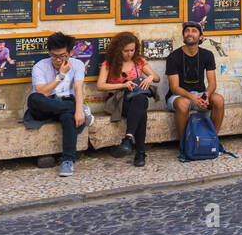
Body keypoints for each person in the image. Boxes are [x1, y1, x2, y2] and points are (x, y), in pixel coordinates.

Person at [24, 31, 91, 177]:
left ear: (70, 52)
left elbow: (78, 87)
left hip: (65, 101)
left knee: (68, 115)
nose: (58, 60)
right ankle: (73, 109)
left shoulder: (78, 64)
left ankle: (68, 161)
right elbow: (43, 93)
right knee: (33, 99)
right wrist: (60, 74)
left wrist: (78, 110)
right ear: (49, 53)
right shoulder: (40, 66)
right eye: (54, 56)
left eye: (63, 56)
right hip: (47, 104)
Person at [96, 32, 158, 167]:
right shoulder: (109, 64)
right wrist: (123, 85)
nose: (129, 53)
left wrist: (150, 77)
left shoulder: (139, 61)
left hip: (135, 99)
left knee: (141, 101)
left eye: (132, 50)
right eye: (126, 51)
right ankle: (140, 152)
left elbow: (157, 77)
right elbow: (100, 85)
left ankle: (128, 139)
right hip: (118, 101)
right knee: (141, 109)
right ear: (118, 49)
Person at [166, 22, 224, 141]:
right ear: (183, 35)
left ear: (201, 37)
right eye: (187, 31)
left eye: (194, 31)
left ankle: (212, 139)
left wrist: (206, 95)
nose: (190, 33)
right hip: (177, 97)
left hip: (199, 95)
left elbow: (212, 83)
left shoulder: (207, 55)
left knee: (218, 100)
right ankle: (185, 144)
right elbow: (174, 87)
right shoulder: (173, 56)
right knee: (184, 104)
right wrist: (192, 97)